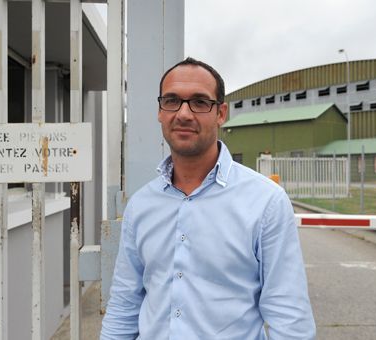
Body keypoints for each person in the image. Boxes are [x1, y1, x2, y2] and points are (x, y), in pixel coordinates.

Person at [100, 57, 316, 339]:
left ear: (221, 113)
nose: (184, 114)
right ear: (160, 111)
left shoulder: (265, 202)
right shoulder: (142, 205)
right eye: (172, 100)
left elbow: (289, 316)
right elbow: (124, 306)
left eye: (200, 102)